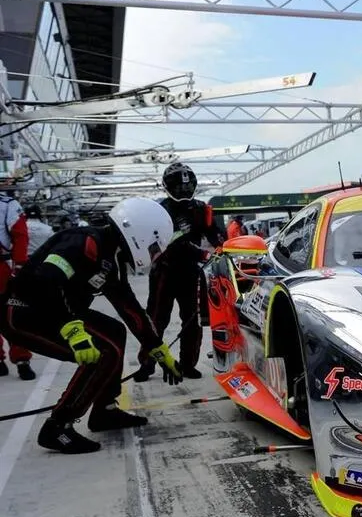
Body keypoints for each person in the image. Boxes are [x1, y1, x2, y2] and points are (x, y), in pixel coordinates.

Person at [0, 197, 183, 454]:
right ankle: (57, 427)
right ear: (139, 233)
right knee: (103, 352)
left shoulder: (110, 254)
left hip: (54, 312)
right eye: (154, 247)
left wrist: (157, 348)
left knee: (115, 332)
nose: (153, 253)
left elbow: (128, 306)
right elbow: (46, 281)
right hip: (24, 313)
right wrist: (73, 331)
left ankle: (104, 411)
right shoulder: (85, 243)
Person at [135, 162, 224, 382]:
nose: (184, 190)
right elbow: (170, 243)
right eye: (179, 187)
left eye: (188, 186)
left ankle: (188, 364)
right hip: (164, 272)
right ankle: (146, 364)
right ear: (168, 187)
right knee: (156, 319)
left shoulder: (202, 209)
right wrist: (203, 254)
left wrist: (226, 247)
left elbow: (216, 235)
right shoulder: (159, 211)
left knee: (192, 320)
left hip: (190, 273)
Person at [0, 194, 34, 380]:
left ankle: (22, 359)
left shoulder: (7, 204)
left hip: (3, 269)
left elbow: (20, 235)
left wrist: (19, 266)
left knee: (13, 313)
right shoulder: (7, 204)